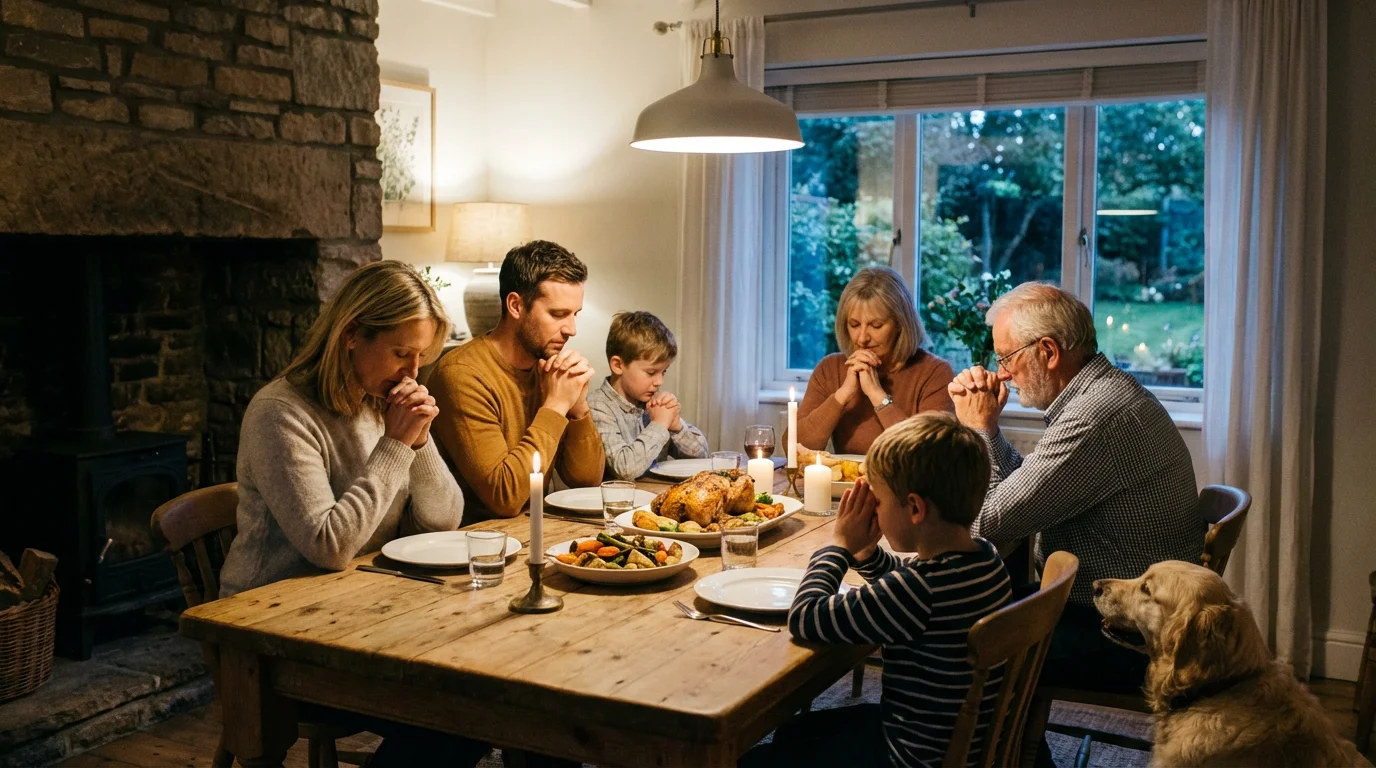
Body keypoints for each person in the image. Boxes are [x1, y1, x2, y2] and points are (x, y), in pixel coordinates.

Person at [220, 260, 484, 767]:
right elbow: (329, 546)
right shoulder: (280, 413)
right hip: (272, 633)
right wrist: (395, 443)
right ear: (351, 336)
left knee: (486, 700)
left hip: (360, 611)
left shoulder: (373, 401)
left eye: (422, 356)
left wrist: (419, 440)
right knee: (457, 713)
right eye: (401, 353)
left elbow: (442, 520)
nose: (412, 372)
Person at [949, 281, 1204, 694]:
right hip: (1111, 607)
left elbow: (987, 526)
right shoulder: (1103, 393)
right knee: (973, 606)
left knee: (954, 639)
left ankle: (994, 754)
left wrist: (977, 428)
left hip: (1123, 633)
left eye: (1007, 358)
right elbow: (1024, 488)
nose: (1002, 374)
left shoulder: (1094, 417)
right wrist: (990, 429)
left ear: (1048, 352)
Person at [744, 413, 1012, 768]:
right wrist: (867, 554)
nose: (875, 511)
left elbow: (806, 617)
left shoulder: (917, 591)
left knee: (759, 760)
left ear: (915, 508)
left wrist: (839, 546)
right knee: (795, 732)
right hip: (953, 741)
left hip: (907, 756)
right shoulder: (984, 558)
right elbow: (905, 583)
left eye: (880, 503)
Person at [428, 240, 606, 521]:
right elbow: (505, 499)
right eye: (558, 314)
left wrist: (578, 408)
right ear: (515, 305)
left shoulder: (548, 369)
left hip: (534, 534)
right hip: (473, 546)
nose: (571, 329)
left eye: (575, 314)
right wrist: (556, 405)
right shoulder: (461, 374)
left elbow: (586, 482)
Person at [796, 266, 955, 455]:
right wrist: (843, 395)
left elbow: (929, 455)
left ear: (900, 324)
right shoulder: (830, 368)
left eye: (876, 325)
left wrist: (877, 394)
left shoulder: (934, 372)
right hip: (846, 484)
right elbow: (796, 447)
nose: (862, 338)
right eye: (854, 325)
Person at [588, 311, 708, 480]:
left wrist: (676, 426)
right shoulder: (598, 406)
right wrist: (659, 424)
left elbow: (701, 457)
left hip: (654, 496)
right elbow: (624, 469)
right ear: (618, 365)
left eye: (663, 372)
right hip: (620, 503)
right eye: (651, 372)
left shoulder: (652, 402)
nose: (659, 381)